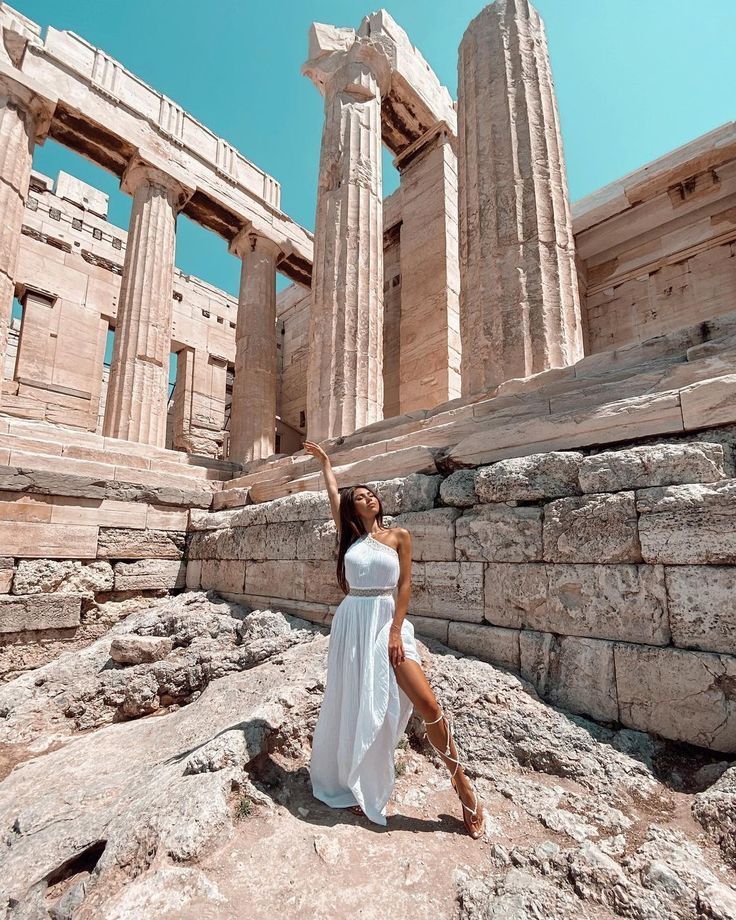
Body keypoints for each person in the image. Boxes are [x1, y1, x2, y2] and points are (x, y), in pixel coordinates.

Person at [304, 439, 484, 839]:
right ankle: (352, 779)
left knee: (427, 702)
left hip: (387, 620)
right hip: (352, 620)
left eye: (370, 493)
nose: (367, 497)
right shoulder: (350, 538)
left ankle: (463, 786)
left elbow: (405, 585)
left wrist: (398, 629)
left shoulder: (399, 535)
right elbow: (333, 495)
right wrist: (326, 464)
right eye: (360, 496)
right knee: (353, 700)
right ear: (353, 508)